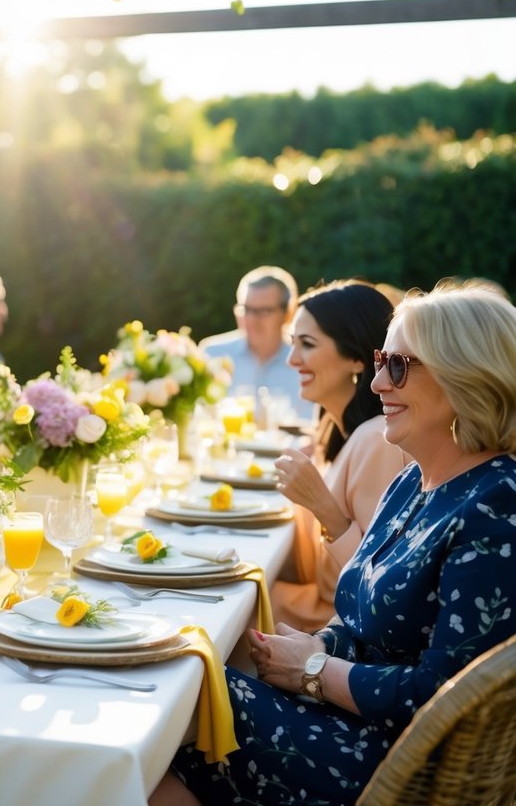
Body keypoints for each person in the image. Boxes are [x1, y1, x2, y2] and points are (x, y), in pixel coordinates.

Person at [152, 279, 516, 806]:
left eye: (399, 366)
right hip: (347, 719)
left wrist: (314, 670)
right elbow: (370, 625)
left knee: (180, 697)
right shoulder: (413, 481)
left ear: (466, 376)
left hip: (396, 759)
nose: (377, 385)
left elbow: (442, 695)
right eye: (378, 361)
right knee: (182, 680)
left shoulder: (497, 503)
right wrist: (319, 645)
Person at [271, 280, 412, 632]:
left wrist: (322, 506)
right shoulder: (331, 430)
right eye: (292, 343)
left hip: (339, 627)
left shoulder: (377, 440)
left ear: (354, 357)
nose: (292, 359)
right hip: (320, 607)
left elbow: (376, 588)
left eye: (307, 344)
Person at [200, 266, 314, 423]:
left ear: (288, 313)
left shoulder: (306, 363)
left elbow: (311, 426)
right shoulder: (212, 354)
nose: (252, 319)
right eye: (246, 309)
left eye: (264, 311)